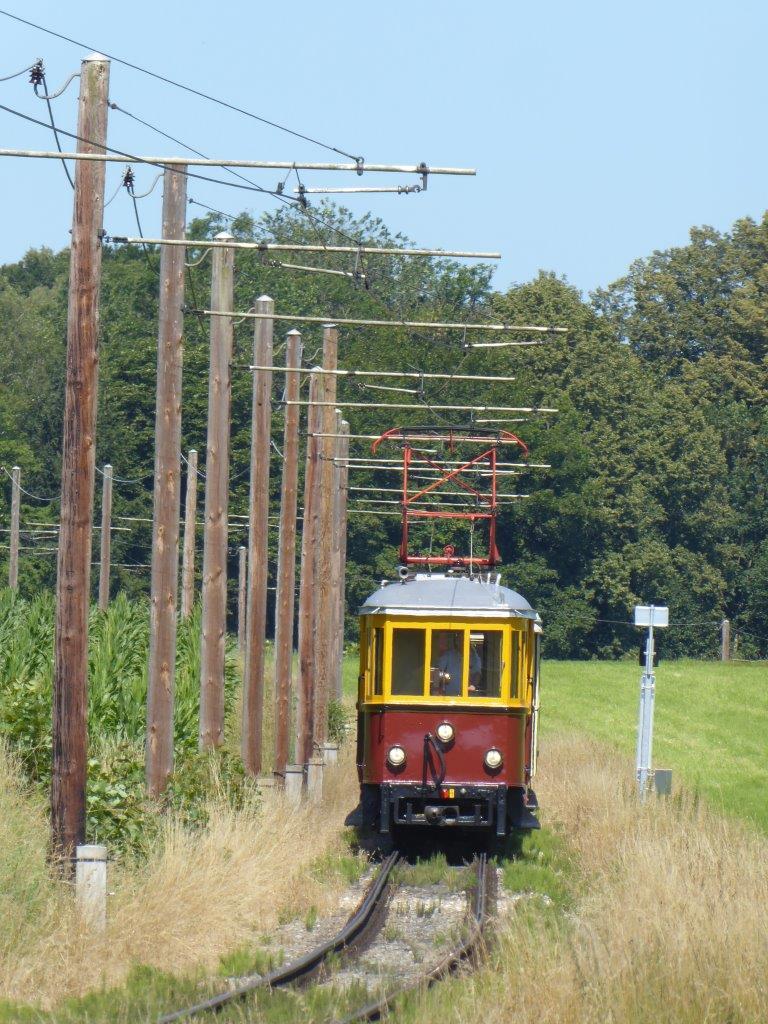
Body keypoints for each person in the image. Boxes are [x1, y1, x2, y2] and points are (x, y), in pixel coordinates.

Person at [431, 631, 481, 696]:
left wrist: (473, 685)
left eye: (464, 640)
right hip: (449, 697)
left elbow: (477, 673)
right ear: (457, 641)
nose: (462, 642)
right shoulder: (449, 655)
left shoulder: (474, 657)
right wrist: (436, 692)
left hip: (467, 697)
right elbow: (437, 672)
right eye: (460, 640)